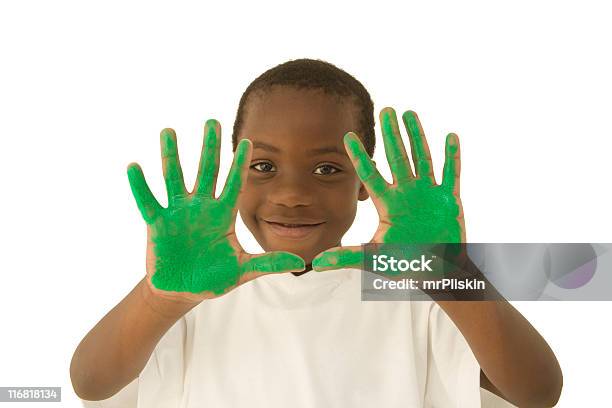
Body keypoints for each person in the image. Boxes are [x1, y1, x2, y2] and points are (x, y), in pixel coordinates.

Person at [70, 59, 562, 407]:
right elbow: (92, 382)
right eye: (263, 165)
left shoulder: (406, 290)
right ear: (233, 174)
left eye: (327, 169)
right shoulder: (196, 294)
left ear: (367, 180)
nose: (291, 194)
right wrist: (160, 298)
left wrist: (449, 274)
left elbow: (537, 392)